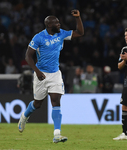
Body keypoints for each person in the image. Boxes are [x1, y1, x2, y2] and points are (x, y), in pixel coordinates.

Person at [18, 9, 84, 143]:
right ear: (49, 25)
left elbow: (80, 33)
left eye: (59, 22)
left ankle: (57, 134)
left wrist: (78, 18)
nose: (59, 25)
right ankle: (24, 117)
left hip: (55, 74)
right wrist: (36, 71)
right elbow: (28, 56)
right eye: (57, 23)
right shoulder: (39, 37)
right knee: (37, 104)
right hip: (40, 74)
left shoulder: (61, 34)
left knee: (55, 100)